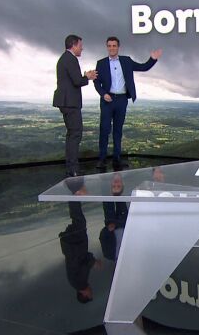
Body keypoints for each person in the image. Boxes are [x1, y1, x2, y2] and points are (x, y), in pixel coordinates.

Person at [94, 36, 162, 169]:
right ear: (107, 47)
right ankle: (102, 160)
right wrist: (103, 94)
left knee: (118, 130)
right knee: (105, 129)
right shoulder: (100, 63)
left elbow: (143, 67)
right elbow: (96, 82)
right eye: (109, 46)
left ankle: (116, 159)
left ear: (118, 47)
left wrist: (153, 59)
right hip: (107, 100)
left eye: (114, 46)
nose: (112, 48)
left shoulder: (126, 61)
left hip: (122, 100)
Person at [53, 34, 97, 177]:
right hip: (70, 103)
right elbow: (77, 81)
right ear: (73, 45)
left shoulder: (64, 58)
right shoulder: (71, 59)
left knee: (71, 135)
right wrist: (88, 77)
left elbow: (73, 79)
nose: (82, 48)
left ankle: (71, 168)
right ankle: (73, 169)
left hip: (66, 102)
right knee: (75, 135)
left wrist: (84, 76)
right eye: (80, 45)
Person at [100, 173, 128, 261]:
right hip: (121, 228)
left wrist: (109, 228)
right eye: (115, 182)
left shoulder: (110, 254)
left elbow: (104, 235)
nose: (116, 183)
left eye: (118, 183)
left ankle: (115, 192)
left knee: (113, 220)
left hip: (117, 229)